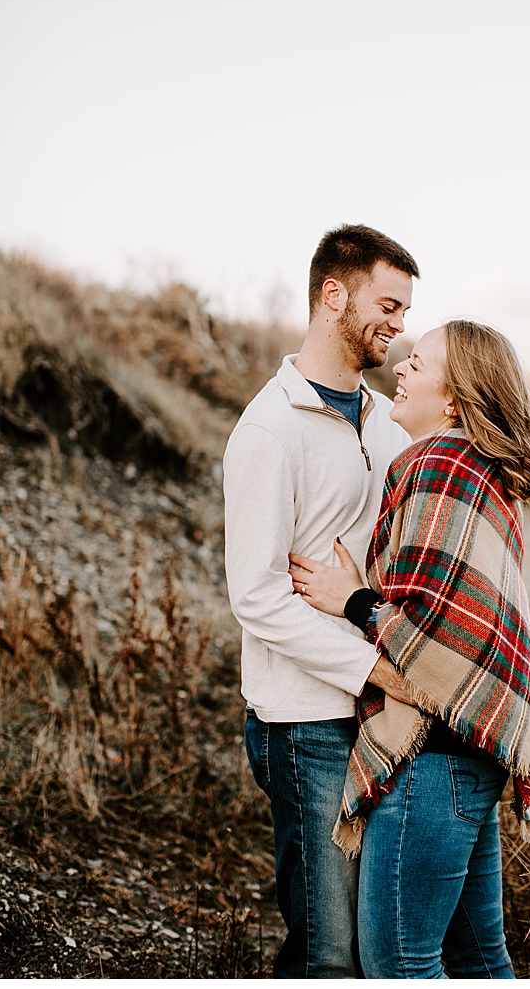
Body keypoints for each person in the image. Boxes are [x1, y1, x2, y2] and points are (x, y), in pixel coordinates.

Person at [288, 319, 530, 978]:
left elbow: (435, 635)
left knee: (398, 963)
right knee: (477, 959)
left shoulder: (438, 466)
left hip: (432, 757)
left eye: (418, 362)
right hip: (471, 753)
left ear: (453, 399)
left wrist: (352, 599)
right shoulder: (482, 471)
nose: (401, 369)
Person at [222, 223, 422, 978]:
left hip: (379, 711)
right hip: (304, 721)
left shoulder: (383, 418)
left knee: (372, 937)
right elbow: (258, 595)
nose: (398, 326)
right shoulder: (269, 429)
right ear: (332, 294)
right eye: (389, 305)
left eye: (405, 313)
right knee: (327, 949)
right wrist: (371, 667)